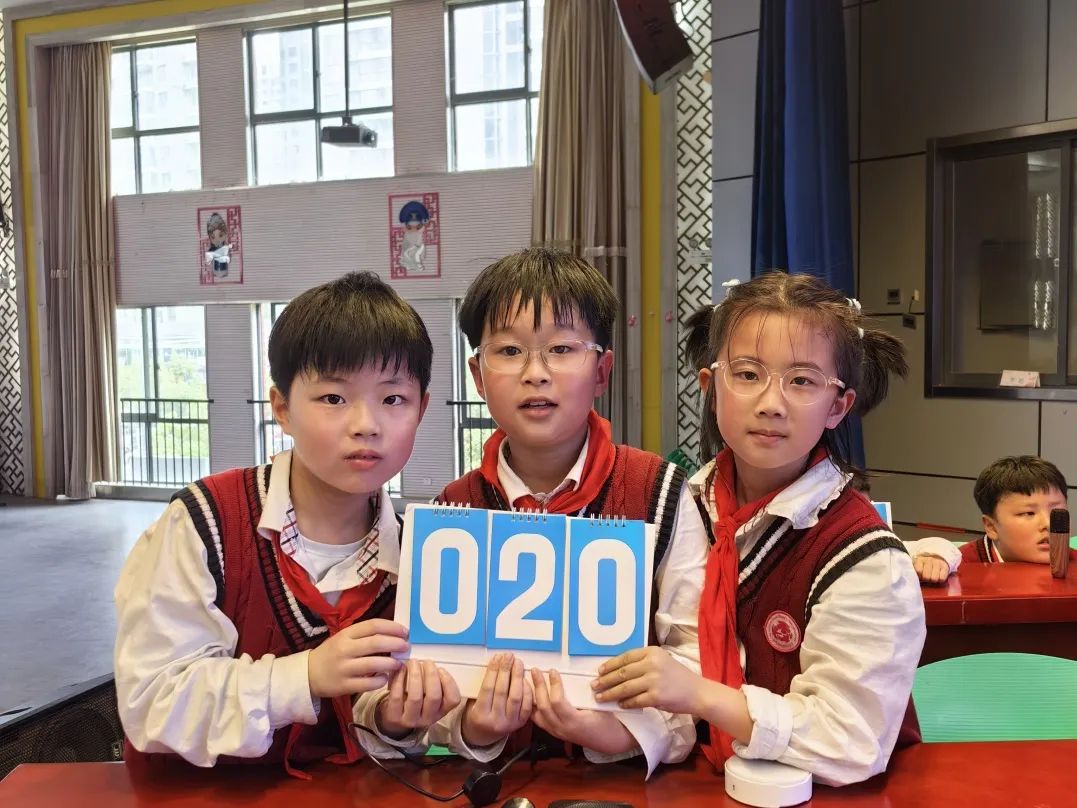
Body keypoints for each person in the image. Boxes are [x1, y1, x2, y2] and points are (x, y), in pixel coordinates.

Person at [115, 272, 461, 775]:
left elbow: (397, 737)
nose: (366, 425)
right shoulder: (205, 523)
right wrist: (307, 676)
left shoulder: (420, 558)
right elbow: (152, 701)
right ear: (282, 408)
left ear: (422, 409)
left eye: (393, 399)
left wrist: (395, 723)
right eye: (333, 398)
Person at [593, 271, 925, 786]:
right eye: (747, 374)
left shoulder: (864, 554)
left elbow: (851, 741)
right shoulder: (677, 507)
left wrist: (701, 695)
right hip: (695, 785)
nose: (771, 402)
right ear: (711, 387)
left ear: (838, 407)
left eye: (802, 381)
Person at [435, 246, 709, 776]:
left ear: (602, 371)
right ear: (477, 375)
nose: (535, 373)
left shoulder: (661, 492)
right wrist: (471, 727)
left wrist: (619, 732)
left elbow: (695, 652)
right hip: (497, 780)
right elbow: (435, 676)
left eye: (562, 349)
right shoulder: (454, 512)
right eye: (508, 350)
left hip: (630, 782)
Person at [962, 455, 1074, 565]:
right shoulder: (959, 567)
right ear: (991, 527)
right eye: (1029, 513)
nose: (1048, 524)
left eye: (1057, 512)